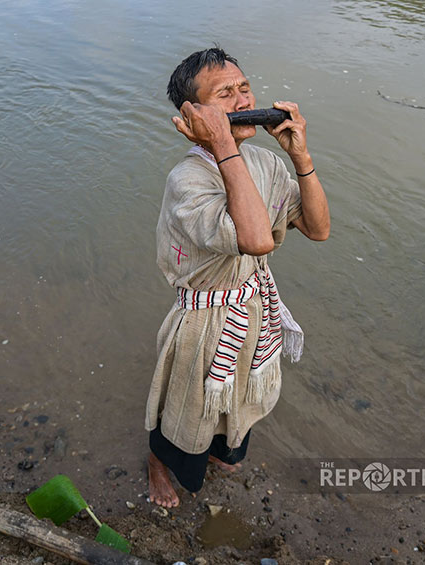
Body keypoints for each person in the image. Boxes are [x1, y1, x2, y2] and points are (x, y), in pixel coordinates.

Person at [146, 47, 330, 508]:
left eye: (244, 88)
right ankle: (157, 464)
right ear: (194, 114)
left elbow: (318, 228)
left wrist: (300, 156)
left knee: (238, 403)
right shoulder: (188, 180)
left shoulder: (265, 164)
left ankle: (219, 449)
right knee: (186, 409)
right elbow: (256, 240)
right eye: (224, 95)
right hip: (204, 319)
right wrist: (223, 144)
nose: (243, 101)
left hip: (252, 308)